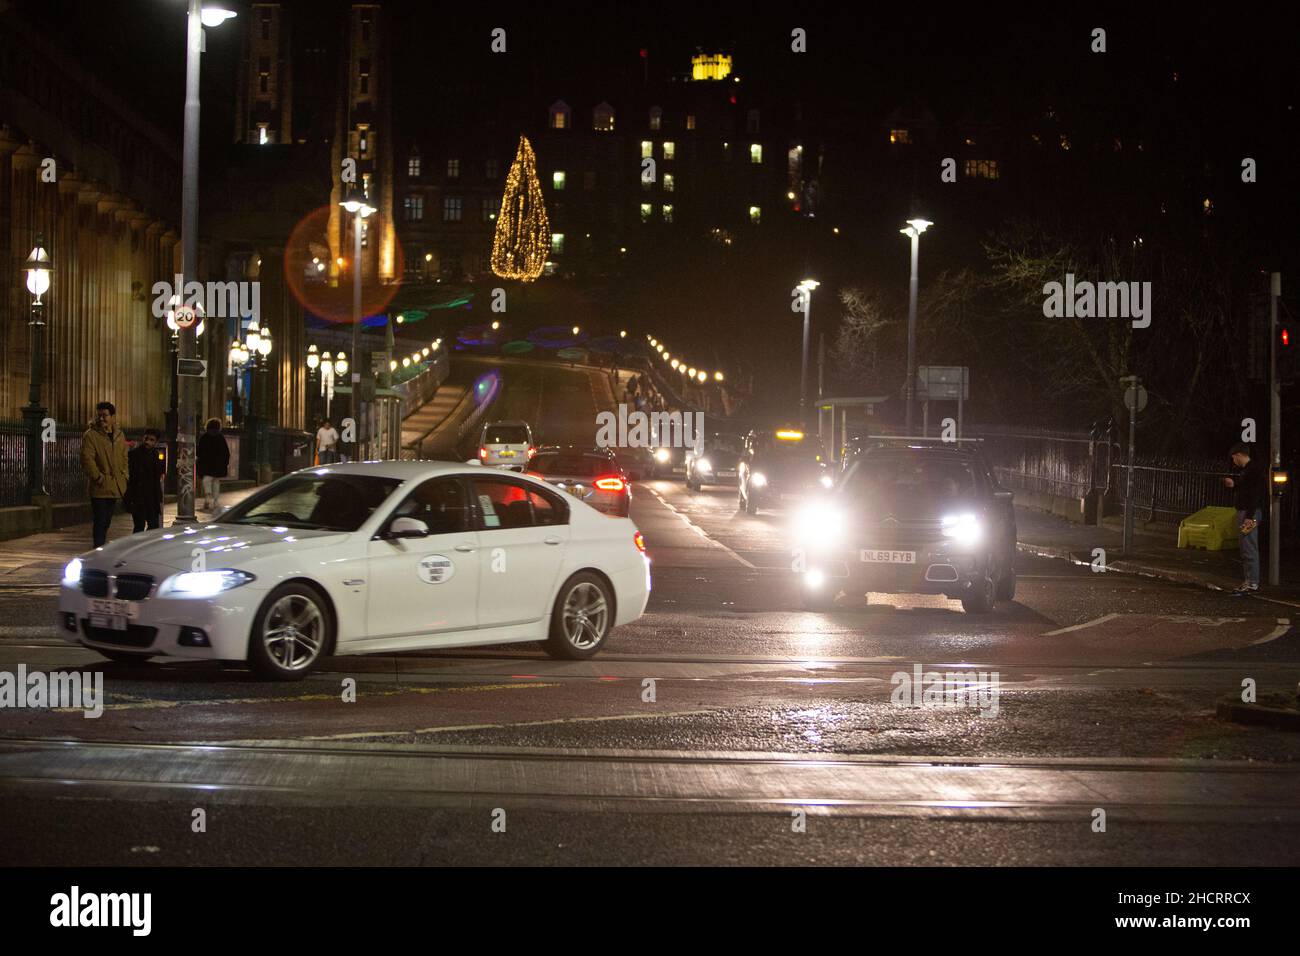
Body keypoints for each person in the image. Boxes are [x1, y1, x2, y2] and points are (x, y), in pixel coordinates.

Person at [80, 401, 128, 548]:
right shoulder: (91, 435)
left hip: (115, 485)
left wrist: (125, 474)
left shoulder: (119, 435)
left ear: (112, 416)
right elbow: (87, 459)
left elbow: (124, 456)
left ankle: (100, 545)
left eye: (105, 415)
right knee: (100, 520)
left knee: (107, 520)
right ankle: (98, 548)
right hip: (100, 486)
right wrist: (98, 477)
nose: (101, 418)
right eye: (99, 415)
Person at [1223, 441, 1267, 595]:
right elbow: (1247, 491)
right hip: (1248, 513)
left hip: (1249, 514)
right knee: (1246, 546)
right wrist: (1234, 486)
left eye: (1234, 458)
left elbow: (1255, 495)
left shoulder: (1252, 470)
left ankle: (1252, 582)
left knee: (1248, 547)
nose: (1233, 461)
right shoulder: (1248, 470)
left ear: (1239, 455)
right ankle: (1249, 580)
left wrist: (1249, 516)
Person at [124, 428, 165, 532]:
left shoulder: (155, 454)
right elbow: (131, 477)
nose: (148, 442)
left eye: (151, 440)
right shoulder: (134, 454)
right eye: (146, 438)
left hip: (152, 497)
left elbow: (157, 475)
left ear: (156, 442)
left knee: (153, 526)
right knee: (139, 526)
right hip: (139, 497)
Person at [197, 418, 231, 514]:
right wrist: (225, 463)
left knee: (206, 480)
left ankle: (208, 496)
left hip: (206, 464)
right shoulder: (220, 437)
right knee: (216, 482)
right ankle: (216, 501)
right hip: (218, 465)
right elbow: (226, 453)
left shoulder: (204, 437)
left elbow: (199, 451)